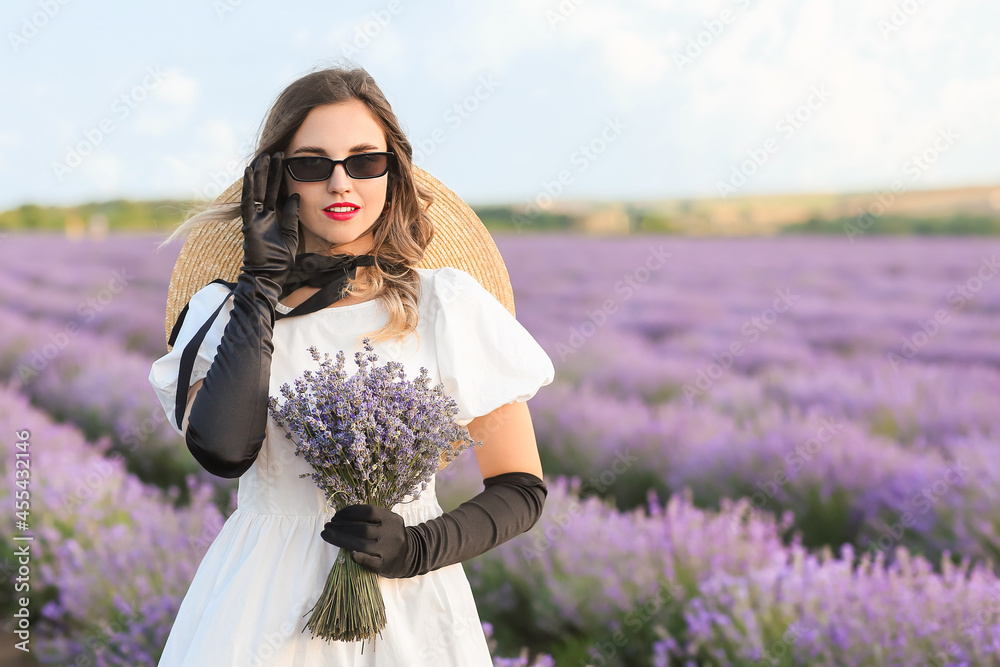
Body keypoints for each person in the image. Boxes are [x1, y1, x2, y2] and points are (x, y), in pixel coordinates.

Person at [147, 65, 555, 665]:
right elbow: (223, 452)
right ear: (275, 180)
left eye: (365, 161)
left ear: (393, 171)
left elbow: (521, 488)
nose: (341, 184)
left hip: (411, 609)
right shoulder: (223, 310)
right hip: (261, 605)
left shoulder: (445, 304)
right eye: (312, 164)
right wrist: (259, 288)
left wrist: (416, 548)